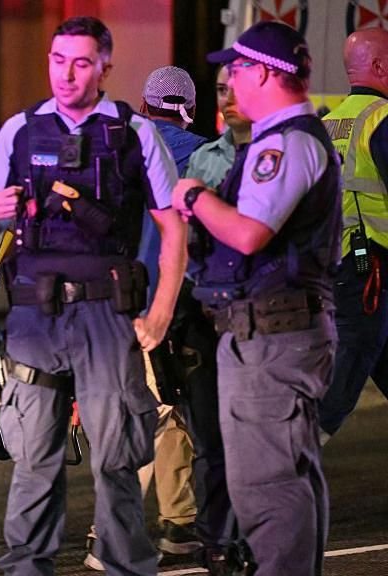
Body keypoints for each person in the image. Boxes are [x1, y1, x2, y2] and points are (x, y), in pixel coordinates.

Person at [0, 16, 185, 575]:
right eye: (58, 60)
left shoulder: (135, 133)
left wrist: (161, 307)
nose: (67, 74)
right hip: (35, 316)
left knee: (116, 457)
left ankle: (123, 564)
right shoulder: (18, 131)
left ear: (105, 68)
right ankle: (27, 566)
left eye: (82, 62)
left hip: (105, 313)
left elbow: (174, 226)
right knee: (34, 455)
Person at [173, 21, 341, 576]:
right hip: (276, 327)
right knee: (288, 475)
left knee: (266, 487)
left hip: (273, 332)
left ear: (267, 73)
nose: (232, 82)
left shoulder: (285, 141)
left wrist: (194, 196)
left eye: (238, 70)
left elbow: (249, 233)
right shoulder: (287, 137)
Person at [180, 65, 253, 575]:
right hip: (207, 314)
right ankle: (217, 540)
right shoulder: (206, 156)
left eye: (236, 90)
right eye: (222, 90)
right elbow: (181, 242)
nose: (227, 100)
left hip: (266, 317)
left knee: (257, 437)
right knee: (210, 436)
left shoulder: (288, 153)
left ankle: (256, 534)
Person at [133, 65, 207, 561]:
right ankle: (157, 523)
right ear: (190, 108)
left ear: (145, 105)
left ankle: (178, 520)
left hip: (110, 302)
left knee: (136, 410)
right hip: (173, 304)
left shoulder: (118, 147)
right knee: (168, 411)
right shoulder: (203, 154)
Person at [318, 28, 388, 444]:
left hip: (341, 263)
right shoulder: (381, 120)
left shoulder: (328, 124)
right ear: (380, 66)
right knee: (351, 363)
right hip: (372, 270)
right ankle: (295, 456)